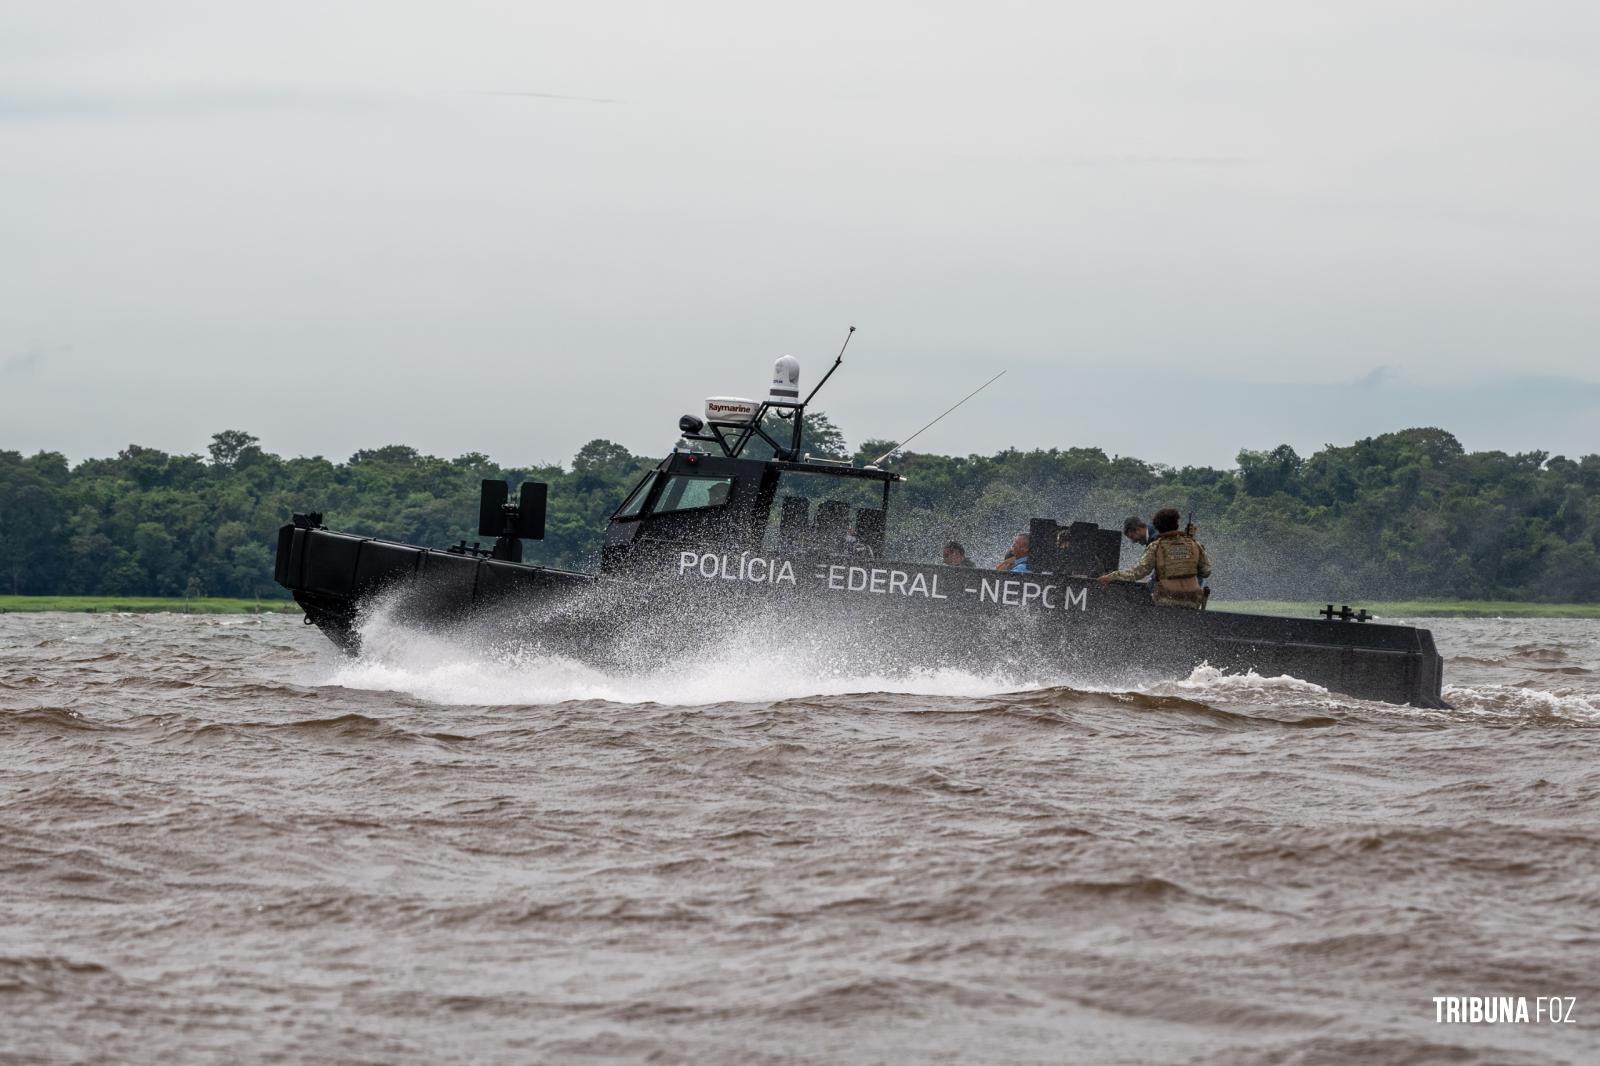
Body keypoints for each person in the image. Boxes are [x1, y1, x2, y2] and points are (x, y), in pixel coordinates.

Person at [1098, 508, 1210, 608]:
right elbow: (1206, 572)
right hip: (1192, 602)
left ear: (1159, 528)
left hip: (1166, 601)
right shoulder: (1194, 544)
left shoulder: (1156, 545)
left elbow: (1137, 572)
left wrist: (1111, 576)